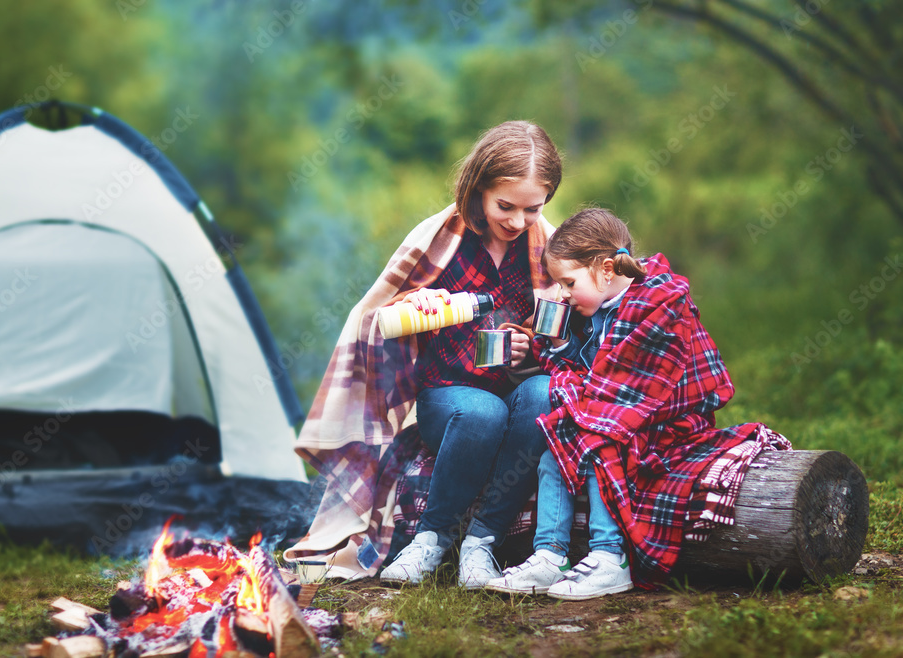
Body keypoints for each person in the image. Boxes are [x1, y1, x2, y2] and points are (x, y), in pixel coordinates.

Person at [284, 121, 562, 588]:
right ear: (479, 188)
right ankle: (431, 540)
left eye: (532, 210)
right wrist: (410, 306)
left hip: (517, 388)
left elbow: (569, 337)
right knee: (481, 413)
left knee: (545, 392)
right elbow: (373, 321)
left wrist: (529, 348)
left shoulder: (549, 249)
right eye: (505, 206)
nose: (517, 222)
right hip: (448, 393)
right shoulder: (438, 241)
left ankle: (482, 543)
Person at [485, 207, 791, 598]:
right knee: (555, 454)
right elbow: (593, 371)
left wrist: (592, 402)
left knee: (599, 449)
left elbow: (644, 382)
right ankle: (550, 555)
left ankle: (610, 557)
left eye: (568, 281)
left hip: (664, 419)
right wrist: (560, 344)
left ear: (606, 269)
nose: (561, 292)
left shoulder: (659, 305)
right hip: (612, 410)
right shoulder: (592, 306)